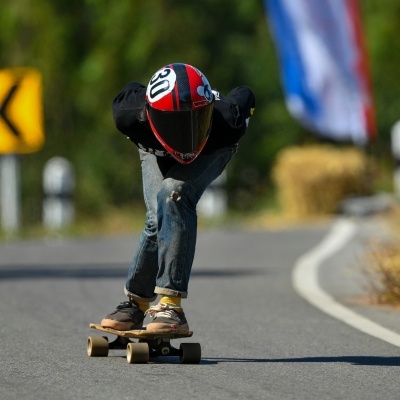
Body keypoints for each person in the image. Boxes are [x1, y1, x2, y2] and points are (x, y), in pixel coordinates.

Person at [101, 63, 255, 332]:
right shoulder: (128, 113)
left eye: (197, 121)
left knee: (174, 193)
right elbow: (131, 89)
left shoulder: (227, 120)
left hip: (212, 148)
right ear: (149, 114)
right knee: (156, 218)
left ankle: (171, 305)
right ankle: (136, 304)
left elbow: (245, 94)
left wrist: (205, 121)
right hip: (155, 147)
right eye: (175, 124)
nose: (187, 136)